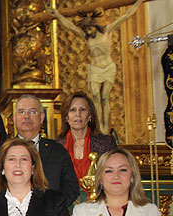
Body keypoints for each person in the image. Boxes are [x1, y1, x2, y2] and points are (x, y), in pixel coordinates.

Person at [48, 0, 144, 133]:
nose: (88, 31)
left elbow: (125, 16)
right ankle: (100, 128)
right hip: (95, 69)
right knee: (96, 98)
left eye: (90, 28)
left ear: (94, 25)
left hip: (108, 67)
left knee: (105, 97)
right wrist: (58, 15)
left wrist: (138, 3)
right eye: (86, 29)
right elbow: (70, 26)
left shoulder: (107, 31)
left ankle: (105, 126)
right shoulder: (87, 37)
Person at [13, 94, 79, 205]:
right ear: (14, 118)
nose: (27, 116)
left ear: (42, 118)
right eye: (22, 112)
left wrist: (52, 207)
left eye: (33, 112)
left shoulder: (57, 150)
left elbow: (71, 188)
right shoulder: (4, 150)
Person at [56, 91, 117, 181]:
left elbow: (114, 176)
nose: (78, 114)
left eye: (83, 109)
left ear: (90, 116)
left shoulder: (106, 143)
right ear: (66, 117)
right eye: (72, 110)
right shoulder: (56, 147)